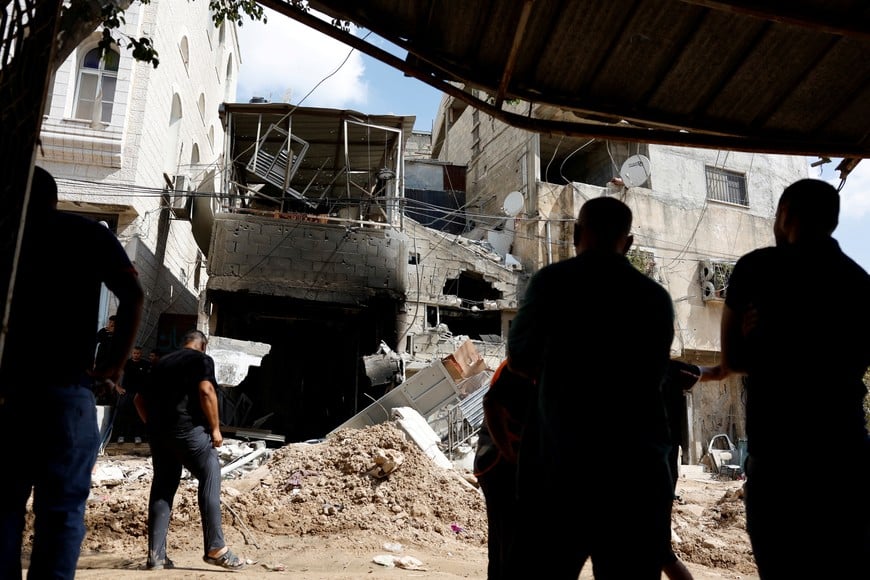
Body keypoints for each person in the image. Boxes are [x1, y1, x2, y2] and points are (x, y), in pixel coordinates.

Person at [504, 196, 677, 579]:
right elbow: (655, 372)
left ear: (577, 234)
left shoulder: (552, 283)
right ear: (628, 244)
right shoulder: (655, 298)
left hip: (561, 474)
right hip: (636, 479)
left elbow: (518, 358)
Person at [716, 178, 870, 578]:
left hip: (780, 458)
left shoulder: (757, 269)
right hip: (845, 454)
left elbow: (733, 359)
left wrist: (757, 346)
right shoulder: (859, 283)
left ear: (784, 215)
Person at [0, 165, 144, 579]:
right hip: (67, 395)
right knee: (61, 516)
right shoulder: (89, 234)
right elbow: (133, 296)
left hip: (11, 395)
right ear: (53, 197)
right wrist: (112, 368)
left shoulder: (10, 235)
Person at [134, 329, 245, 571]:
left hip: (159, 435)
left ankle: (156, 556)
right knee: (210, 473)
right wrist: (216, 429)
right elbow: (206, 391)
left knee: (163, 487)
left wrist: (153, 426)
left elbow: (138, 400)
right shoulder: (201, 360)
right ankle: (216, 548)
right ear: (203, 346)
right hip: (190, 433)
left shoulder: (161, 363)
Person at [473, 360, 535, 580]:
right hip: (501, 464)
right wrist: (510, 454)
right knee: (508, 541)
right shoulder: (524, 363)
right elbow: (491, 403)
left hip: (521, 464)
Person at [115, 345, 150, 444]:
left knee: (138, 415)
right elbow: (117, 374)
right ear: (131, 353)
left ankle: (137, 435)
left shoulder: (145, 364)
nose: (136, 355)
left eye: (138, 353)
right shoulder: (126, 363)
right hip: (126, 392)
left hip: (139, 393)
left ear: (141, 353)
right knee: (123, 413)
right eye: (134, 353)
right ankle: (121, 435)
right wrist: (117, 387)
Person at [93, 315, 117, 404]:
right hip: (99, 364)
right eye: (109, 322)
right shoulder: (103, 331)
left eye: (112, 323)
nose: (110, 324)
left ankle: (107, 402)